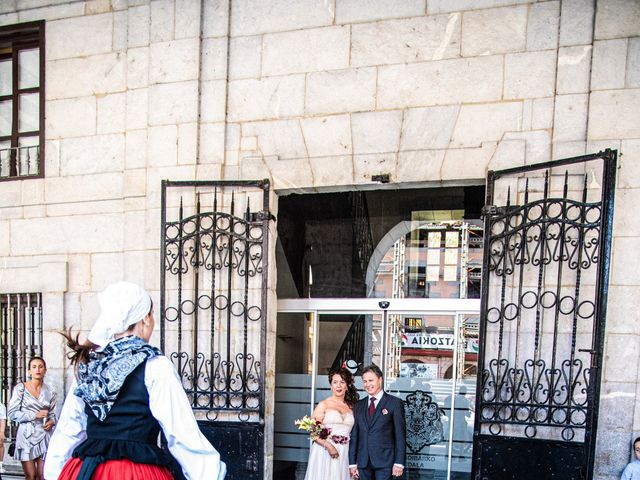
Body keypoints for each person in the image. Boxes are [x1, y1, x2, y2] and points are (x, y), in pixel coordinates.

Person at [43, 281, 226, 480]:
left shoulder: (89, 365)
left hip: (86, 471)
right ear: (146, 318)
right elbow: (182, 435)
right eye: (152, 314)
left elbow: (69, 430)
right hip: (135, 473)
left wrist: (53, 473)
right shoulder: (155, 366)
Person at [349, 364, 406, 480]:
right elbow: (355, 436)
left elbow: (400, 435)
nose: (367, 384)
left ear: (380, 379)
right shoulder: (359, 405)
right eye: (365, 381)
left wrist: (399, 462)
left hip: (385, 462)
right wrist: (352, 463)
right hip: (363, 461)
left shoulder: (394, 403)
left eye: (371, 380)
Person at [304, 367, 359, 480]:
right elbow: (312, 431)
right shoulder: (323, 404)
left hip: (345, 452)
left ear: (347, 385)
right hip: (324, 451)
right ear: (331, 385)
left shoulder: (353, 407)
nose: (338, 386)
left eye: (342, 382)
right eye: (335, 382)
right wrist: (328, 446)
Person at [8, 356, 57, 480]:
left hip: (44, 434)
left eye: (40, 367)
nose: (37, 370)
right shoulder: (20, 389)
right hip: (26, 435)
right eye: (34, 367)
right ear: (29, 371)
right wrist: (33, 415)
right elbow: (12, 413)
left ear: (45, 370)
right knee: (30, 476)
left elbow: (53, 414)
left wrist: (52, 421)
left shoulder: (50, 391)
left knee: (43, 475)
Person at [0, 401, 6, 476]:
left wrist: (1, 432)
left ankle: (0, 464)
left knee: (0, 444)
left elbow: (3, 419)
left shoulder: (1, 406)